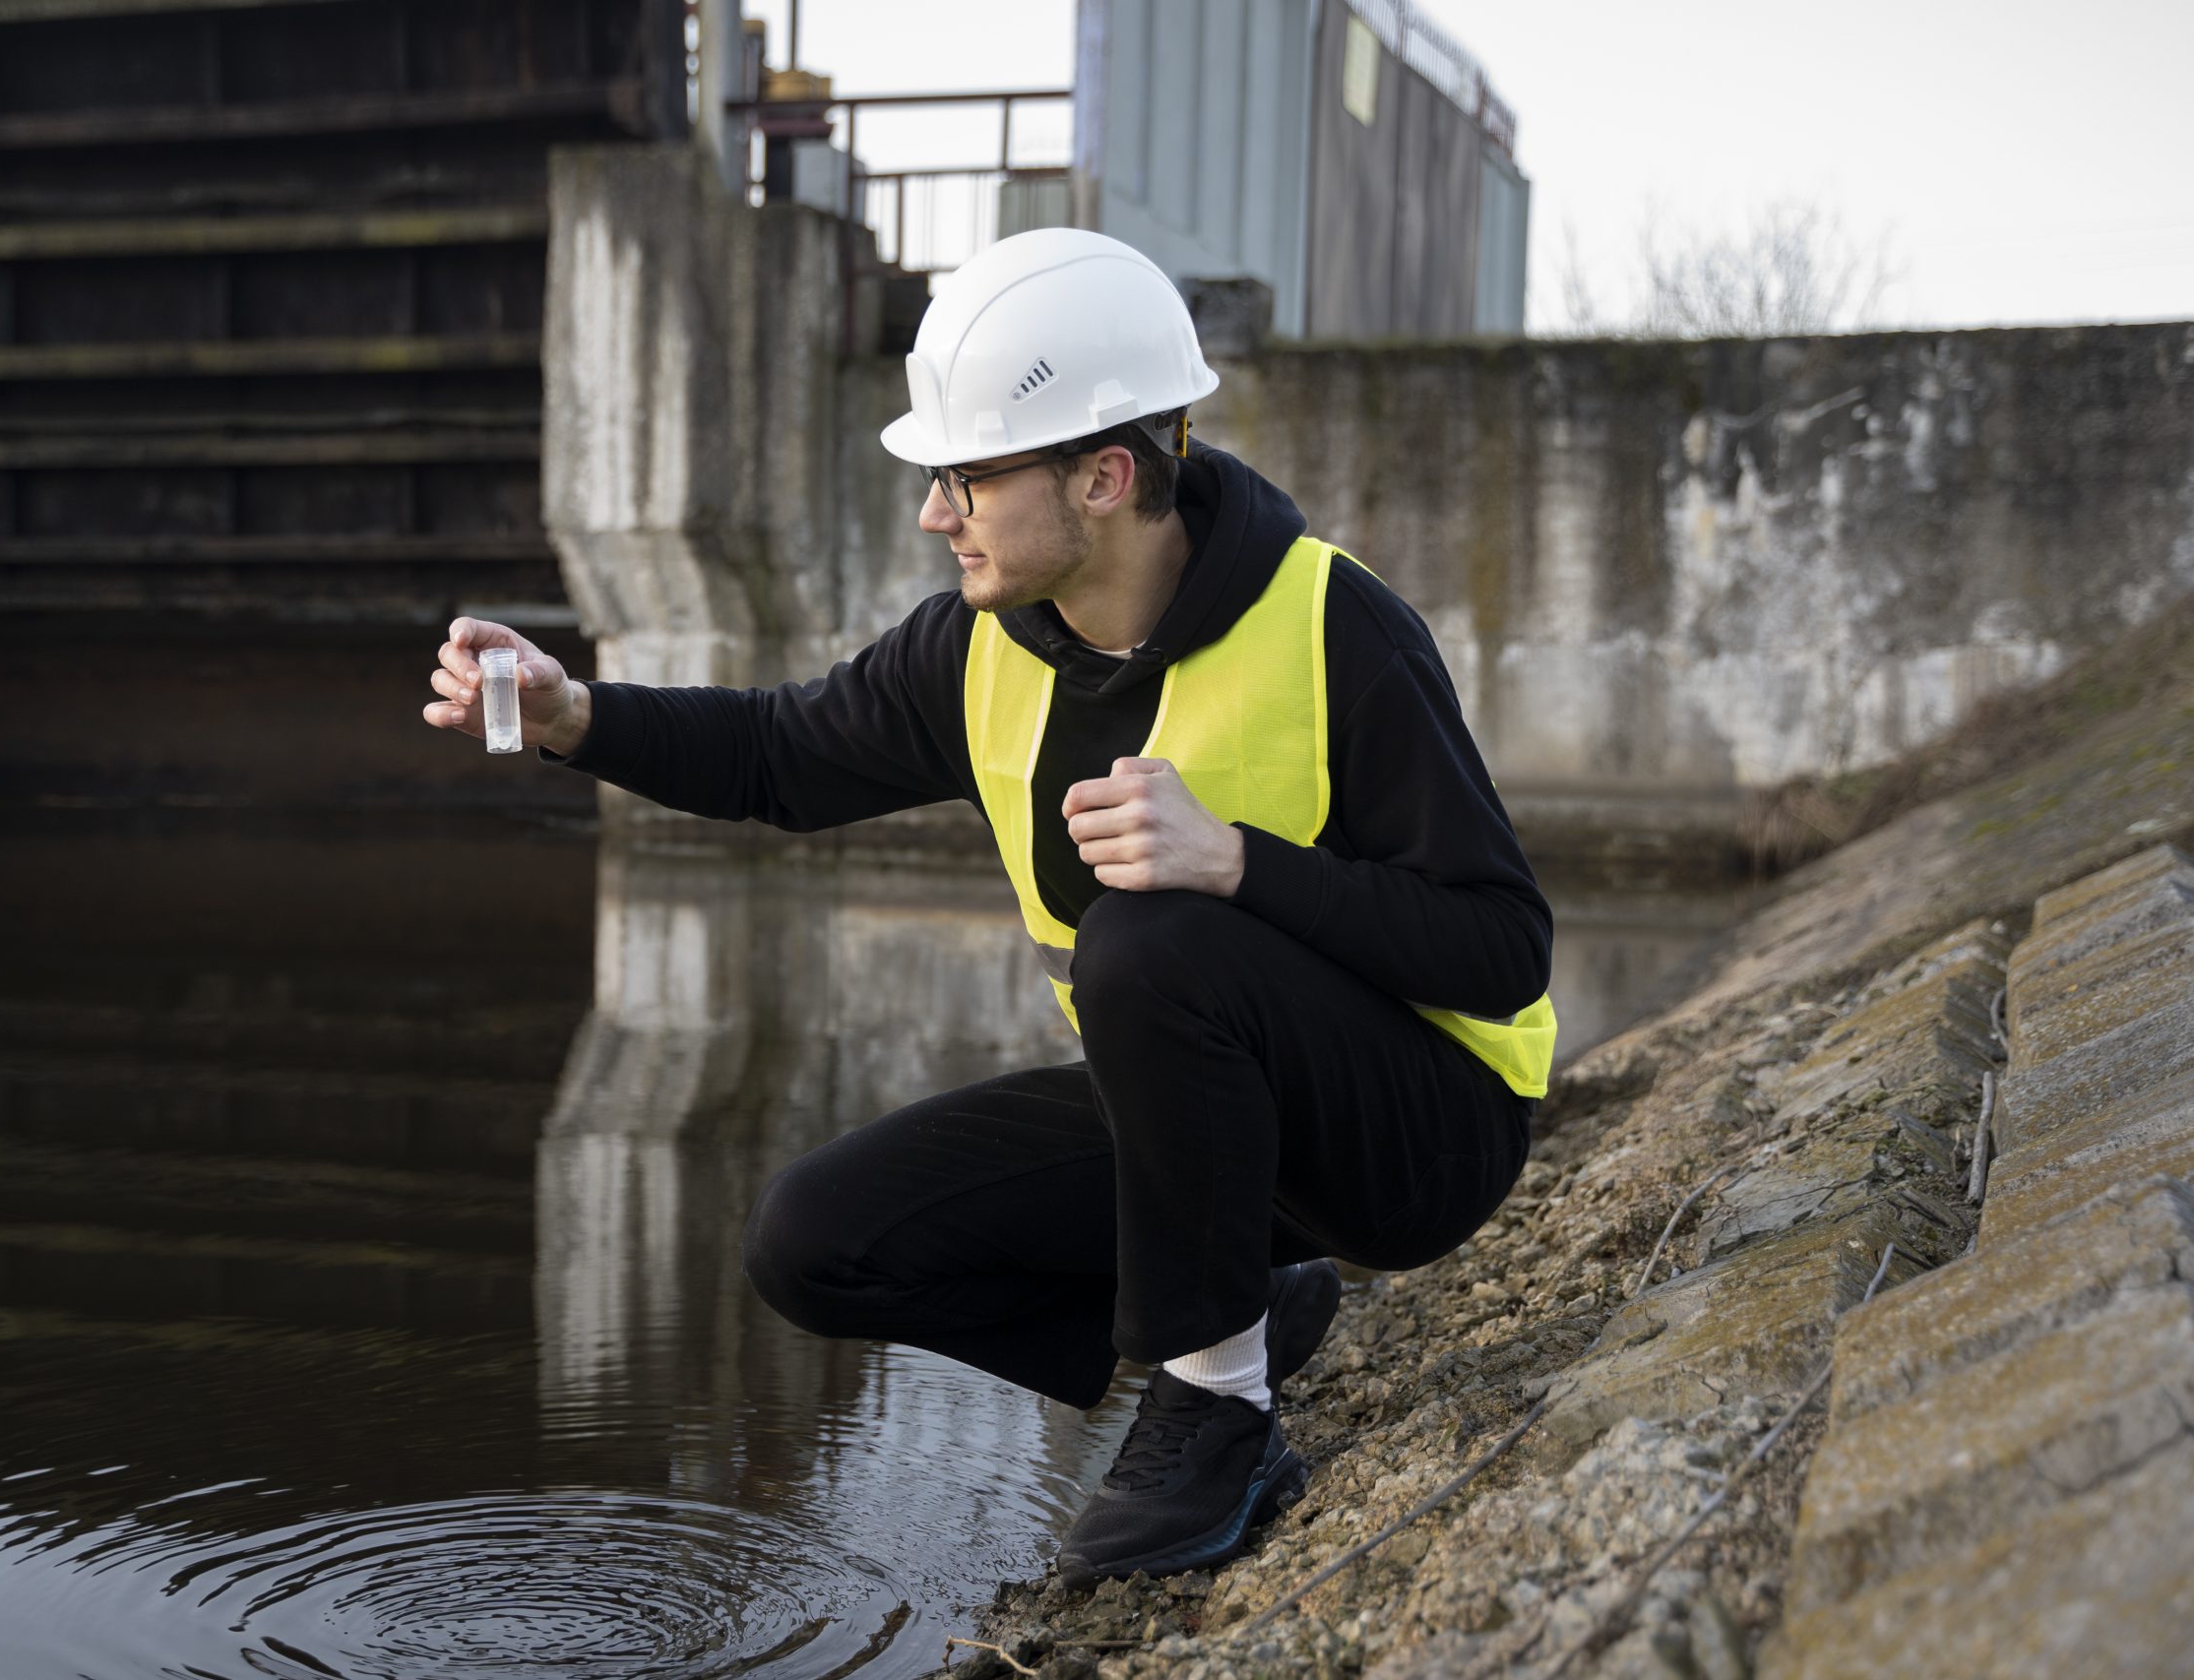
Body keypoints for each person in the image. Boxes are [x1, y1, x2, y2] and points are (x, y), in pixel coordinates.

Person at [421, 228, 1554, 1588]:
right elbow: (778, 753)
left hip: (1423, 1135)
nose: (933, 511)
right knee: (815, 1244)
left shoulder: (1336, 626)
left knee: (1147, 923)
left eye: (964, 475)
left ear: (1104, 475)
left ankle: (1218, 1409)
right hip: (1205, 1128)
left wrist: (1241, 862)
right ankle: (1243, 1306)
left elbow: (1501, 950)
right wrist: (573, 715)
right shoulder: (976, 647)